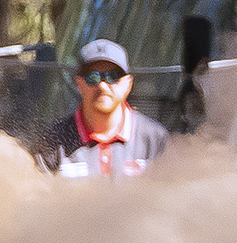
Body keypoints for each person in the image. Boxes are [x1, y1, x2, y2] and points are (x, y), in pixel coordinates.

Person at [36, 38, 171, 179]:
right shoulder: (51, 143)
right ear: (78, 83)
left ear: (128, 84)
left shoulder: (155, 139)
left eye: (113, 76)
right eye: (92, 77)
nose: (102, 86)